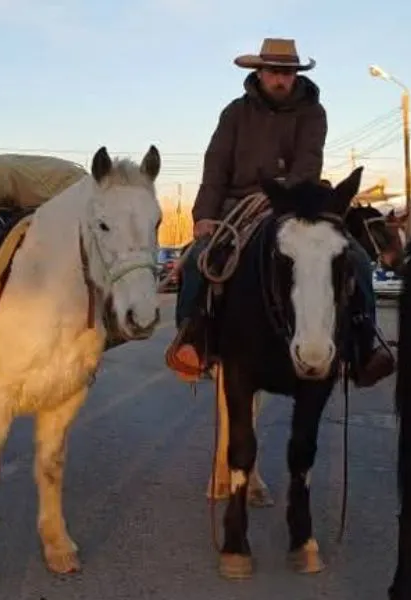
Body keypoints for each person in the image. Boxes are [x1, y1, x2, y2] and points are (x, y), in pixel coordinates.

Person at [165, 37, 394, 387]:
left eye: (287, 72)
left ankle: (364, 346)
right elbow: (216, 167)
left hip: (296, 200)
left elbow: (309, 161)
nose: (281, 79)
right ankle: (192, 340)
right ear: (259, 73)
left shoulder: (313, 112)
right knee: (200, 257)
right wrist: (204, 216)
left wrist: (281, 195)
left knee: (357, 258)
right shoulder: (235, 113)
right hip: (236, 205)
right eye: (274, 72)